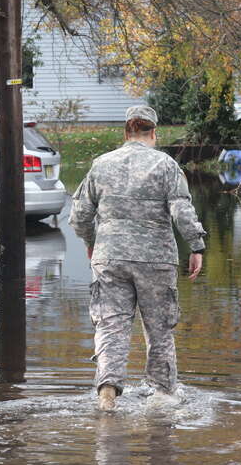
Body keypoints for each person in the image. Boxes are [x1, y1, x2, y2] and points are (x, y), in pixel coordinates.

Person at [68, 105, 206, 411]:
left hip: (110, 257)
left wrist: (92, 242)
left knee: (110, 326)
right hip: (155, 259)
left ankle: (107, 390)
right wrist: (196, 246)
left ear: (126, 132)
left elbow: (79, 217)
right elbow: (181, 211)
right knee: (159, 329)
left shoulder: (101, 164)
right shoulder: (166, 165)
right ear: (153, 133)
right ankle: (163, 395)